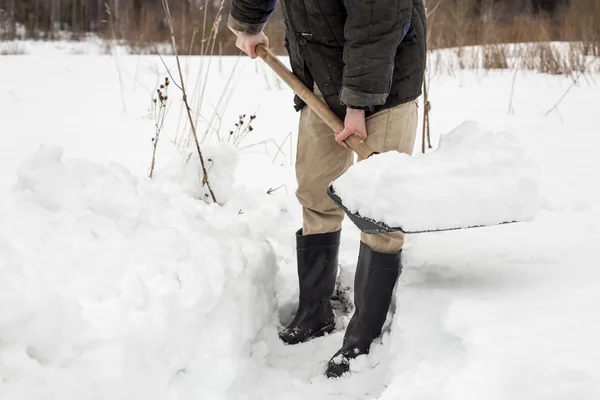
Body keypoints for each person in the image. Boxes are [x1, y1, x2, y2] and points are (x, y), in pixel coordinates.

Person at [228, 0, 427, 378]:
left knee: (379, 211)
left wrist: (358, 103)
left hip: (386, 78)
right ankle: (314, 310)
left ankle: (364, 337)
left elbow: (377, 18)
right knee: (316, 190)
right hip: (319, 74)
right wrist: (248, 23)